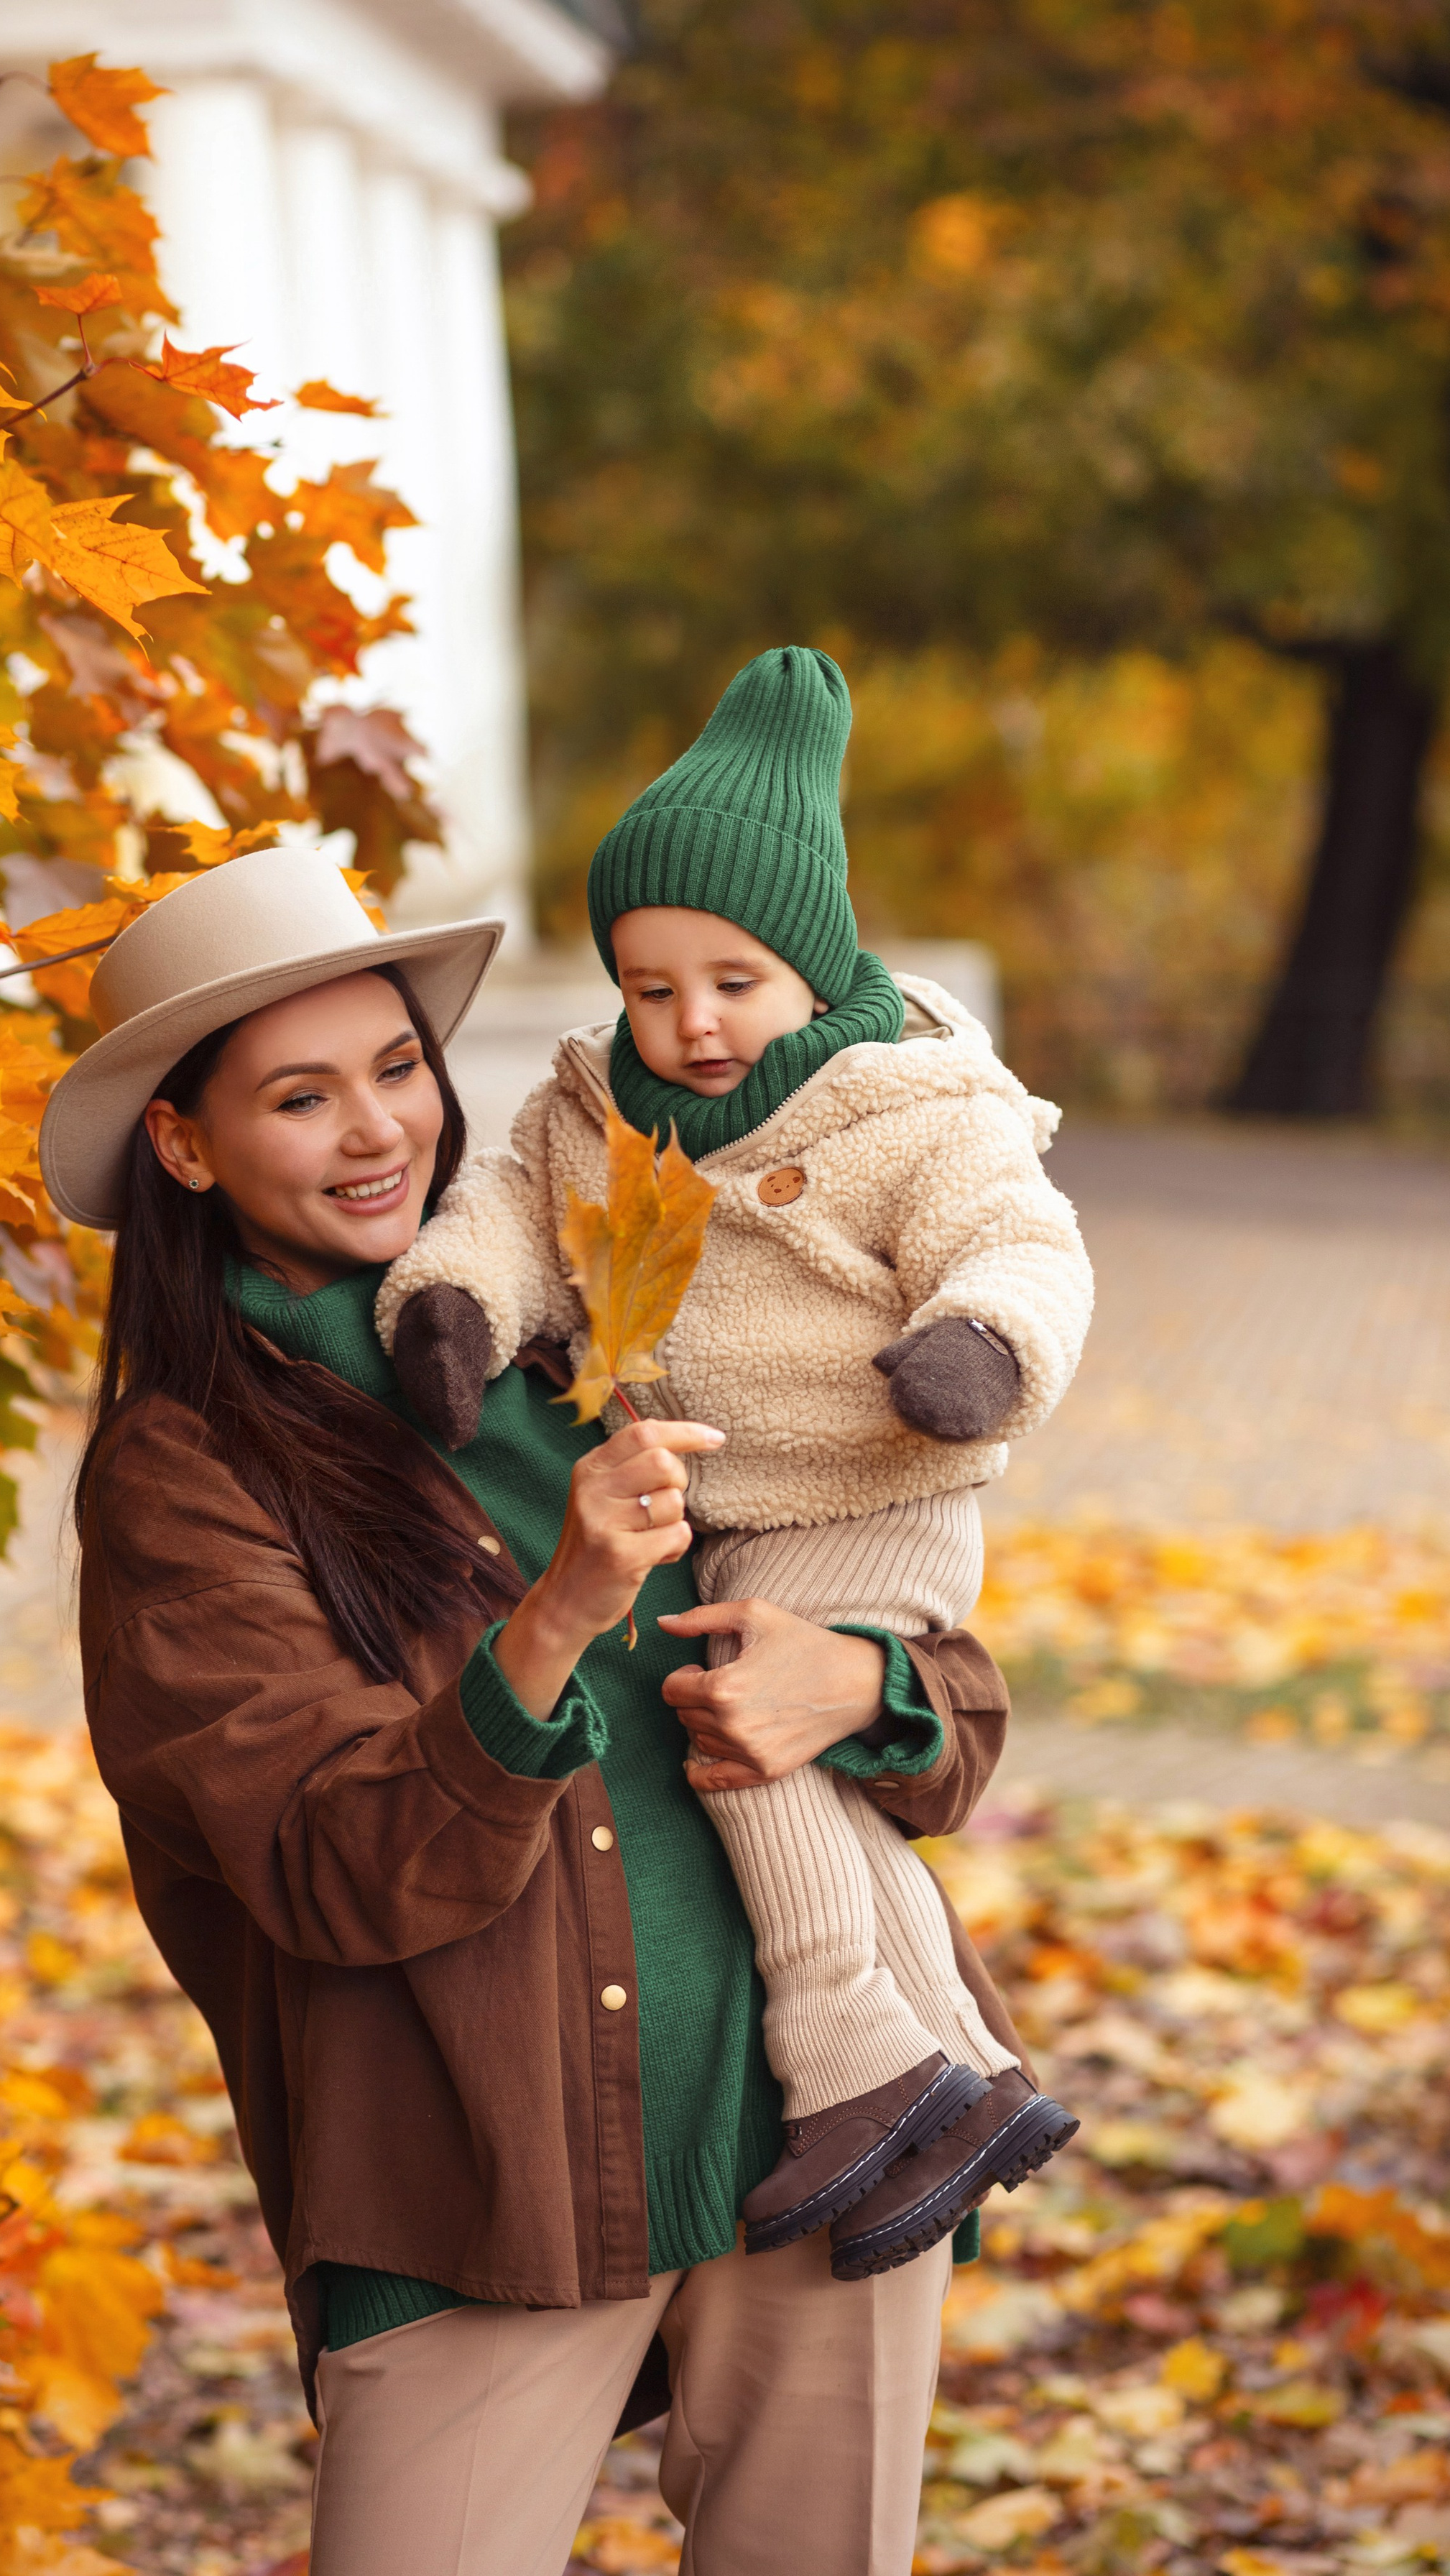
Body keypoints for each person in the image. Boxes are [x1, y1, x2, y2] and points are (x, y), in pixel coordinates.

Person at [39, 845, 1039, 2576]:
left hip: (811, 2115)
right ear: (185, 1146)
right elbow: (328, 1867)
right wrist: (558, 1615)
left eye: (396, 1069)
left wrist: (860, 1689)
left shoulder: (585, 1329)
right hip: (466, 2181)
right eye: (298, 1096)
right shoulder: (185, 1470)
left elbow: (947, 1719)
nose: (375, 1134)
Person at [379, 647, 1089, 2277]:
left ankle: (856, 2061)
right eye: (649, 986)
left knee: (736, 1733)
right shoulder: (591, 1111)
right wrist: (451, 1306)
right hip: (724, 1506)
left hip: (875, 1481)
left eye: (733, 981)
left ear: (816, 959)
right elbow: (498, 1214)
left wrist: (975, 1345)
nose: (690, 1024)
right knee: (812, 1788)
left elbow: (1021, 1243)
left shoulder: (915, 1110)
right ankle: (958, 2084)